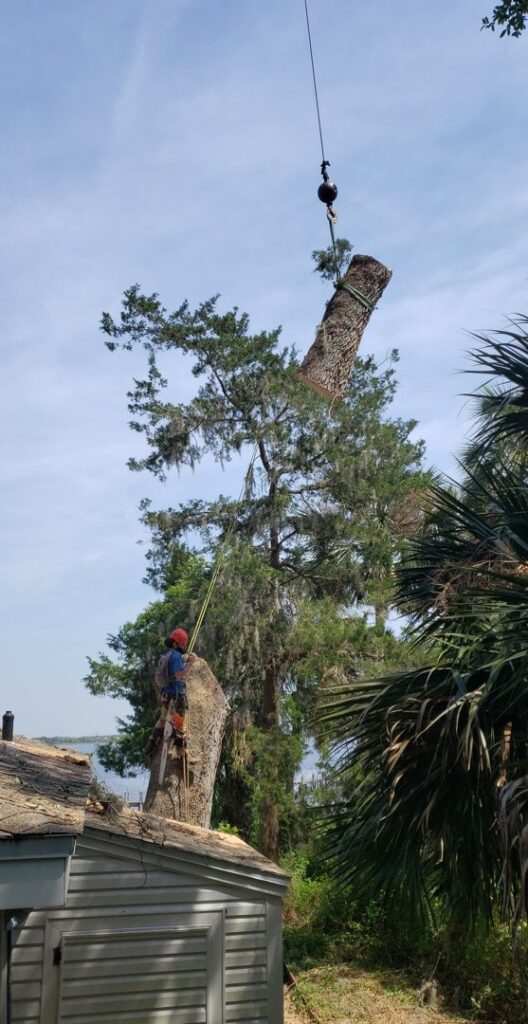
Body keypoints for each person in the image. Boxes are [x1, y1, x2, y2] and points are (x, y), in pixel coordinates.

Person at [145, 628, 195, 757]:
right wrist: (190, 663)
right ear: (176, 643)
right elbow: (178, 675)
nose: (184, 646)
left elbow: (172, 672)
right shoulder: (177, 657)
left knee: (163, 719)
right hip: (176, 694)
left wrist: (184, 662)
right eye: (182, 644)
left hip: (166, 694)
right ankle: (181, 753)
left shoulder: (167, 655)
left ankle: (150, 745)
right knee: (180, 723)